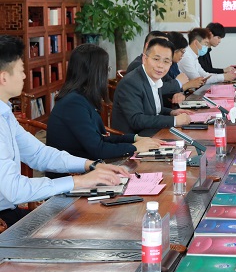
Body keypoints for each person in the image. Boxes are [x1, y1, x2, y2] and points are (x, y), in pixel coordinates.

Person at [0, 35, 129, 227]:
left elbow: (39, 154)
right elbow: (15, 189)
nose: (25, 76)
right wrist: (78, 182)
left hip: (10, 211)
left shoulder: (5, 114)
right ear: (3, 77)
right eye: (21, 71)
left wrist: (90, 166)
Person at [47, 44, 162, 164]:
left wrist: (134, 138)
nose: (106, 75)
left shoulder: (80, 98)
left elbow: (99, 139)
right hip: (76, 171)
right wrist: (134, 147)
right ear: (96, 73)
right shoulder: (73, 104)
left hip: (88, 164)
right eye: (106, 69)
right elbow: (98, 149)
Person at [111, 38, 193, 136]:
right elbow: (136, 120)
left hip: (150, 133)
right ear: (144, 59)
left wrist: (172, 112)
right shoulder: (130, 83)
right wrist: (174, 120)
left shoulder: (154, 78)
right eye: (156, 59)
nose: (160, 65)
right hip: (133, 140)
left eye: (166, 61)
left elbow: (154, 110)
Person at [126, 30, 186, 105]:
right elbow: (153, 89)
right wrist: (178, 82)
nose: (160, 65)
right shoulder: (138, 66)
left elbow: (168, 83)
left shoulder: (161, 66)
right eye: (161, 44)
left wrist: (177, 94)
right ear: (148, 46)